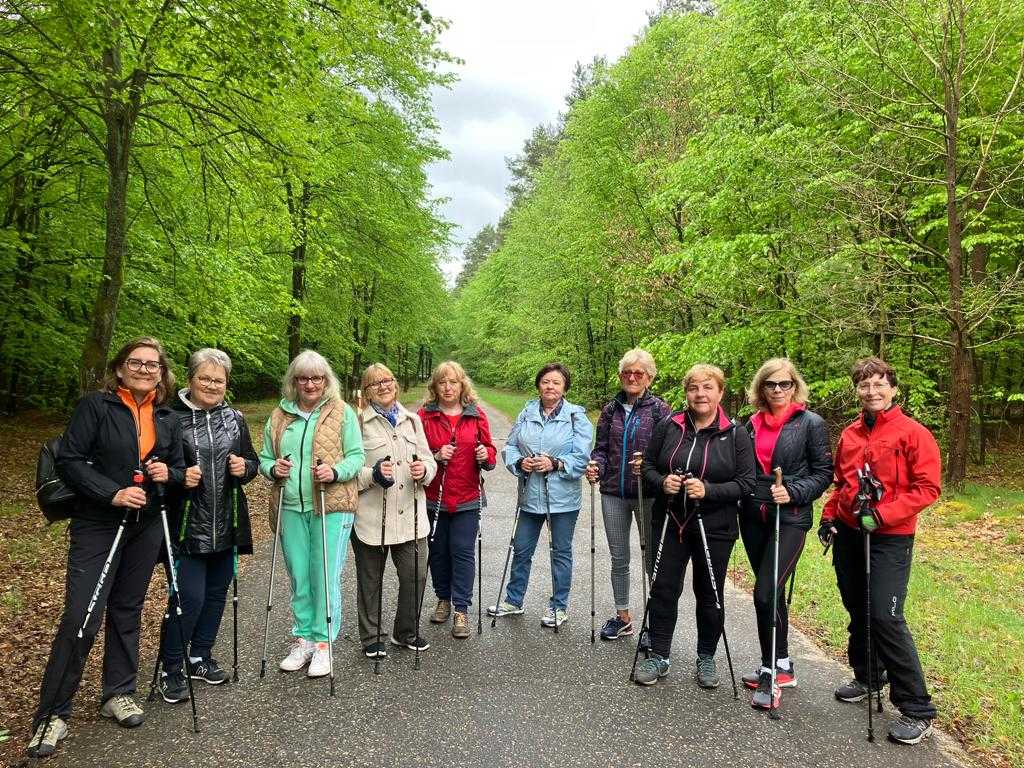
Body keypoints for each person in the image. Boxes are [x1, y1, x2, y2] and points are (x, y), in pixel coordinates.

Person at [27, 338, 186, 758]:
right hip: (99, 523)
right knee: (82, 613)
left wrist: (166, 472)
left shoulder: (167, 416)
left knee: (127, 609)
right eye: (136, 362)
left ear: (162, 373)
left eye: (153, 365)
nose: (145, 369)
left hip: (145, 525)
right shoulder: (95, 407)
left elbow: (180, 469)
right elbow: (71, 461)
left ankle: (118, 691)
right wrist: (112, 493)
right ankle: (52, 713)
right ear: (119, 369)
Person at [820, 357, 940, 745]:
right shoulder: (850, 434)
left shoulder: (913, 433)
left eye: (879, 384)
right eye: (864, 385)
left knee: (886, 618)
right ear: (857, 389)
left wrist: (883, 515)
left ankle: (917, 708)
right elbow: (841, 483)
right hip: (851, 534)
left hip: (890, 537)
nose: (872, 391)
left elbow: (928, 488)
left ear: (893, 388)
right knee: (858, 608)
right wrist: (828, 516)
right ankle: (868, 676)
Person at [635, 364, 755, 688]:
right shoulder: (669, 425)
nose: (700, 394)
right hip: (670, 521)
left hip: (715, 526)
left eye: (707, 387)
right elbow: (647, 467)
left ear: (720, 392)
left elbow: (746, 483)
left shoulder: (736, 433)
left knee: (709, 592)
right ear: (686, 392)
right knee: (663, 588)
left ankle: (706, 657)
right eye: (693, 388)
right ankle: (659, 654)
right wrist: (663, 482)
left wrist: (709, 490)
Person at [157, 349, 259, 704]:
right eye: (205, 378)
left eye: (219, 380)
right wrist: (178, 476)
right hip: (187, 523)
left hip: (227, 521)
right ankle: (171, 666)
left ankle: (200, 656)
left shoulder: (235, 418)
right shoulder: (169, 417)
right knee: (189, 597)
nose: (212, 385)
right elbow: (155, 469)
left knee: (217, 594)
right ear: (191, 379)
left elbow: (252, 462)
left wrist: (242, 467)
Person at [258, 350, 364, 677]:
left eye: (316, 378)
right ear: (294, 381)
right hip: (291, 506)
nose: (310, 384)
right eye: (303, 378)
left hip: (330, 506)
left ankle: (323, 643)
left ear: (325, 381)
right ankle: (303, 638)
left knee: (325, 574)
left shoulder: (341, 412)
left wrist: (334, 471)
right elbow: (264, 458)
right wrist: (274, 468)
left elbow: (357, 457)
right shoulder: (279, 416)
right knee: (299, 576)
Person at [739, 358, 833, 706]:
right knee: (772, 592)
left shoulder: (811, 424)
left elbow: (824, 473)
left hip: (790, 517)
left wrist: (793, 491)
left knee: (764, 592)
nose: (778, 390)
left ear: (795, 386)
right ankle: (782, 663)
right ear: (760, 389)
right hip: (753, 516)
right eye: (771, 384)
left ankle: (769, 671)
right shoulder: (748, 425)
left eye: (785, 384)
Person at [490, 362, 593, 628]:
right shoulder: (526, 412)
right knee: (521, 549)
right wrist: (519, 463)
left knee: (560, 552)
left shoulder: (576, 416)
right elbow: (510, 447)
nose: (550, 386)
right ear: (538, 384)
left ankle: (559, 606)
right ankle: (514, 601)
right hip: (529, 496)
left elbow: (582, 457)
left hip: (563, 501)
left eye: (556, 382)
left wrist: (555, 463)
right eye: (546, 381)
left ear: (564, 387)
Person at [586, 349, 671, 640]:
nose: (632, 378)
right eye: (627, 373)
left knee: (651, 559)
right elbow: (601, 448)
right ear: (621, 376)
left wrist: (648, 466)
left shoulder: (660, 409)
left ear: (649, 377)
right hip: (613, 492)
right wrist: (596, 466)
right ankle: (623, 616)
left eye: (639, 373)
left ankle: (654, 621)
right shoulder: (611, 409)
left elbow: (669, 453)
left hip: (648, 493)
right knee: (619, 557)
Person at [353, 364, 437, 658]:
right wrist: (371, 474)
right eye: (375, 383)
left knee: (415, 575)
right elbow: (349, 471)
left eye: (388, 380)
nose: (383, 386)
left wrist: (423, 469)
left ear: (396, 384)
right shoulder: (357, 424)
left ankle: (406, 631)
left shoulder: (413, 421)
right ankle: (372, 636)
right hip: (371, 516)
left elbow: (430, 462)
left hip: (411, 516)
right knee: (370, 581)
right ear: (366, 391)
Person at [418, 361, 496, 639]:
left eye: (453, 382)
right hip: (432, 497)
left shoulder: (476, 416)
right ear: (435, 387)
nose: (448, 387)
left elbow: (490, 450)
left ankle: (461, 608)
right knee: (438, 552)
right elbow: (416, 453)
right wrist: (436, 456)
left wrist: (486, 455)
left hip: (467, 497)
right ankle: (443, 598)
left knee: (462, 551)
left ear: (462, 385)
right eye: (442, 382)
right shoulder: (424, 416)